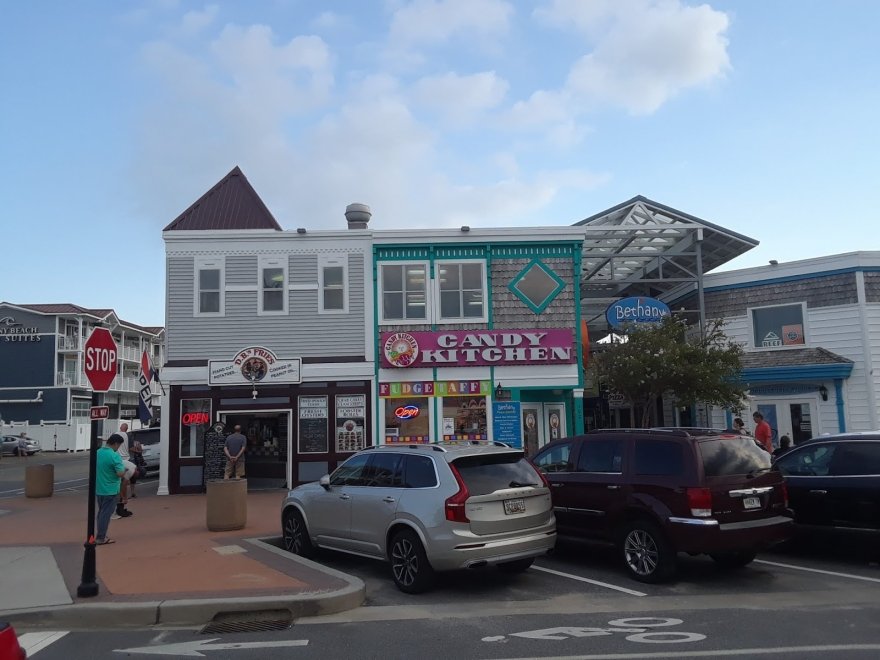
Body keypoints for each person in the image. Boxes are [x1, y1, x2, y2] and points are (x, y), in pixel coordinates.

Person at [96, 435, 126, 545]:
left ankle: (101, 534)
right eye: (119, 445)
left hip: (99, 488)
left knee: (101, 512)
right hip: (111, 489)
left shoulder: (98, 453)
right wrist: (124, 470)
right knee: (106, 514)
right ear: (116, 443)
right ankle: (101, 537)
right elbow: (120, 473)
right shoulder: (114, 455)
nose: (118, 448)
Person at [110, 423, 135, 517]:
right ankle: (119, 507)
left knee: (118, 483)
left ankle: (119, 507)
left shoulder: (114, 434)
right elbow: (131, 448)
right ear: (127, 429)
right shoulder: (128, 435)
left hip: (116, 459)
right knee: (123, 483)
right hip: (125, 459)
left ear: (120, 428)